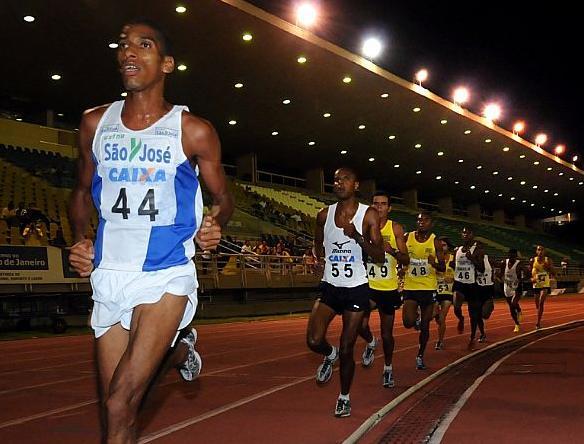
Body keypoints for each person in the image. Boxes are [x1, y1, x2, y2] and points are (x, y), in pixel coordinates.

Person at [67, 19, 233, 444]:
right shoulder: (94, 124)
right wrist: (80, 237)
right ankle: (180, 349)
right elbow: (83, 191)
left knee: (121, 400)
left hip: (165, 273)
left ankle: (175, 339)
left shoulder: (192, 130)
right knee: (116, 409)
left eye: (143, 45)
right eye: (123, 45)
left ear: (167, 64)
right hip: (110, 274)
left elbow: (223, 198)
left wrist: (215, 224)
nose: (129, 52)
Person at [306, 167, 384, 418]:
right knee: (313, 340)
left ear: (356, 185)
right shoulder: (323, 215)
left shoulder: (368, 215)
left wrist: (358, 238)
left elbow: (380, 256)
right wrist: (317, 256)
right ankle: (330, 355)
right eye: (336, 179)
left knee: (348, 347)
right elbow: (318, 240)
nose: (339, 183)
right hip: (330, 287)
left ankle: (344, 397)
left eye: (345, 179)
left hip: (356, 290)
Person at [358, 190, 409, 388]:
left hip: (387, 287)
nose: (379, 207)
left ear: (389, 207)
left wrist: (393, 251)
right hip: (367, 285)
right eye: (375, 203)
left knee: (387, 334)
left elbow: (406, 259)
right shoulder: (364, 228)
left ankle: (388, 368)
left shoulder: (395, 228)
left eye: (383, 204)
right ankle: (371, 342)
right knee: (359, 325)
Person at [402, 211, 445, 370]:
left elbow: (442, 267)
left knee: (425, 326)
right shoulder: (408, 237)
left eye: (425, 220)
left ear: (431, 223)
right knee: (407, 322)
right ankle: (416, 318)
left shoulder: (436, 242)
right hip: (411, 286)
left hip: (428, 288)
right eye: (419, 220)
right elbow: (401, 255)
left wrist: (434, 263)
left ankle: (420, 355)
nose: (421, 222)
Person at [451, 227, 484, 335]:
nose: (465, 234)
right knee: (456, 307)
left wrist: (472, 259)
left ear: (472, 234)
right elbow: (453, 265)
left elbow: (482, 269)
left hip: (471, 284)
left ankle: (473, 335)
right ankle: (460, 318)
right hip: (459, 282)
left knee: (473, 313)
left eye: (468, 233)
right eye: (463, 232)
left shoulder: (478, 249)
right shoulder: (457, 250)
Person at [434, 237, 455, 350]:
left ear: (448, 246)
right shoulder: (435, 258)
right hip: (436, 291)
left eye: (444, 245)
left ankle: (440, 341)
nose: (442, 247)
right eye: (440, 245)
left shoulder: (453, 260)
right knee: (435, 316)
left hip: (447, 292)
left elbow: (460, 274)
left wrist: (453, 279)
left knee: (442, 318)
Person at [499, 249, 523, 332]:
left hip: (517, 288)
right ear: (508, 255)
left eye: (513, 256)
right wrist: (501, 279)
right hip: (507, 287)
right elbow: (501, 274)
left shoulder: (519, 264)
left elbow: (527, 274)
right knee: (511, 306)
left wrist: (520, 280)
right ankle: (518, 315)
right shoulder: (503, 263)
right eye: (510, 256)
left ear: (516, 256)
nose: (511, 258)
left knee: (513, 304)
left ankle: (517, 322)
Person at [531, 245, 555, 329]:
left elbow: (553, 272)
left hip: (545, 284)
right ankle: (539, 315)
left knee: (541, 302)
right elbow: (529, 272)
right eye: (538, 250)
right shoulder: (532, 260)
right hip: (536, 284)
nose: (540, 251)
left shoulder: (548, 260)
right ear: (536, 251)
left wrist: (548, 267)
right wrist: (532, 278)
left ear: (544, 251)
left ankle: (538, 322)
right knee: (537, 304)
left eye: (542, 250)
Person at [474, 251, 494, 345]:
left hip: (487, 289)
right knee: (478, 315)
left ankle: (490, 305)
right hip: (477, 290)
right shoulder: (472, 261)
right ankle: (482, 334)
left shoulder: (488, 259)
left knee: (485, 315)